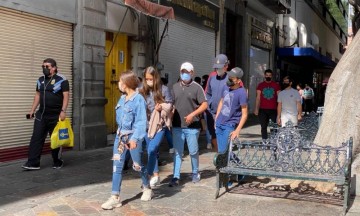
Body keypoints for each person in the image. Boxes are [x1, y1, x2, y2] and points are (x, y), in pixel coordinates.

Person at [101, 71, 151, 210]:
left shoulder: (138, 99)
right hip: (120, 137)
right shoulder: (122, 99)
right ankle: (115, 197)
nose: (118, 84)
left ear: (126, 83)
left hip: (133, 137)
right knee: (117, 166)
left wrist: (135, 139)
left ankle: (146, 187)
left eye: (120, 81)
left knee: (137, 164)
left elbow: (141, 121)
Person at [22, 58, 69, 170]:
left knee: (55, 140)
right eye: (43, 66)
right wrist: (32, 110)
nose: (44, 69)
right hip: (41, 115)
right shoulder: (40, 80)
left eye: (47, 67)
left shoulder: (62, 79)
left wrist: (63, 111)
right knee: (36, 138)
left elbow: (66, 96)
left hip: (55, 115)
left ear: (54, 68)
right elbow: (37, 95)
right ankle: (33, 163)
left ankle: (57, 161)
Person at [169, 62, 208, 187]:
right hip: (177, 126)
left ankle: (195, 172)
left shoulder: (197, 87)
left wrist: (193, 114)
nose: (184, 74)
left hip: (192, 126)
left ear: (192, 73)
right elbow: (171, 104)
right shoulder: (174, 87)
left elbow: (204, 104)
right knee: (177, 152)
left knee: (193, 151)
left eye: (187, 72)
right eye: (182, 72)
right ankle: (176, 176)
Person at [140, 66, 173, 187]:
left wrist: (162, 106)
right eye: (146, 79)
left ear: (155, 78)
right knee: (151, 152)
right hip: (146, 125)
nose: (149, 81)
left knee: (152, 149)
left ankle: (148, 176)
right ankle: (156, 175)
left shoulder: (164, 90)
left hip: (160, 125)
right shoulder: (142, 90)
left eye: (151, 78)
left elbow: (170, 105)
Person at [215, 67, 248, 154]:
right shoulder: (225, 87)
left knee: (224, 151)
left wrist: (237, 130)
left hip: (229, 124)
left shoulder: (242, 93)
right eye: (229, 77)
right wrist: (217, 117)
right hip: (219, 122)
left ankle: (229, 165)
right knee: (221, 151)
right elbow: (221, 101)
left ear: (238, 80)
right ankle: (229, 165)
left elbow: (244, 114)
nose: (229, 80)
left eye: (232, 78)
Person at [205, 54, 229, 151]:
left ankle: (223, 153)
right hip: (212, 112)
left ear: (226, 66)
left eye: (220, 68)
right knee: (213, 133)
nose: (217, 70)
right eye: (216, 68)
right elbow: (208, 92)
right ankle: (219, 153)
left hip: (225, 114)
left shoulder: (231, 78)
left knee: (223, 135)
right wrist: (208, 104)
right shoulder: (212, 76)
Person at [254, 69, 280, 141]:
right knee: (263, 126)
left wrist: (280, 109)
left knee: (274, 127)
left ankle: (274, 141)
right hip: (262, 109)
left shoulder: (276, 85)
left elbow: (279, 98)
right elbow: (258, 97)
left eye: (270, 75)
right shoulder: (260, 85)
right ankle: (264, 141)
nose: (268, 76)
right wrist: (256, 109)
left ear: (272, 76)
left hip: (273, 109)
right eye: (267, 75)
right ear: (264, 75)